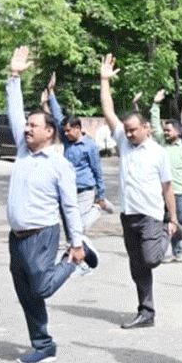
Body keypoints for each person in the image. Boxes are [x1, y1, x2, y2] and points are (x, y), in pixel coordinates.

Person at [3, 47, 97, 363]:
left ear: (49, 132)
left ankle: (75, 261)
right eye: (26, 126)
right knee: (25, 292)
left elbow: (70, 207)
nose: (27, 129)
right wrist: (14, 77)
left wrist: (76, 242)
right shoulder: (22, 151)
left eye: (34, 126)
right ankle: (43, 345)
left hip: (43, 234)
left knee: (41, 288)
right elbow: (14, 112)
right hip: (17, 237)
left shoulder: (59, 165)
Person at [100, 54, 180, 329]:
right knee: (138, 267)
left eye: (134, 130)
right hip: (129, 214)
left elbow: (167, 187)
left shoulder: (158, 153)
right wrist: (104, 81)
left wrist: (173, 219)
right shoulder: (123, 142)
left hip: (151, 215)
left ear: (145, 128)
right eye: (127, 130)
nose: (130, 134)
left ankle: (166, 238)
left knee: (150, 258)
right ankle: (146, 311)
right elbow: (108, 112)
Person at [48, 73, 109, 239]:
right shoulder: (67, 141)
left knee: (79, 226)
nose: (65, 134)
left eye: (69, 130)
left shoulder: (89, 146)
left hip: (85, 190)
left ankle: (97, 209)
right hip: (68, 188)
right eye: (65, 131)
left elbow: (97, 171)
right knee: (69, 222)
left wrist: (101, 194)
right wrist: (51, 93)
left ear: (77, 128)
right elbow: (57, 115)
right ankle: (74, 246)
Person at [151, 91, 182, 262]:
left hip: (180, 192)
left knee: (179, 222)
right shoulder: (162, 144)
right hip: (161, 192)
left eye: (169, 130)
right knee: (163, 222)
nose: (166, 132)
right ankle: (165, 251)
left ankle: (179, 251)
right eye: (165, 130)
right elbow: (155, 126)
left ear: (178, 131)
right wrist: (155, 104)